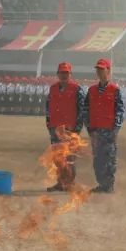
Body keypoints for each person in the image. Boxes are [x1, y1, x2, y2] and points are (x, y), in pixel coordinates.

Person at [84, 58, 124, 193]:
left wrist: (116, 129)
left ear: (108, 71)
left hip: (109, 131)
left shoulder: (115, 90)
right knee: (97, 160)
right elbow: (86, 110)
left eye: (102, 69)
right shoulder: (92, 90)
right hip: (95, 131)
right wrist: (90, 130)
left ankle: (109, 185)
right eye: (98, 70)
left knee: (109, 159)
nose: (99, 72)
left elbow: (119, 110)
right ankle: (102, 184)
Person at [45, 62, 84, 192]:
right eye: (61, 73)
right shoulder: (53, 88)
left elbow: (82, 110)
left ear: (70, 74)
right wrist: (49, 124)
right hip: (55, 129)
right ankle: (60, 182)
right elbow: (48, 107)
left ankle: (70, 183)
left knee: (69, 157)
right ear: (57, 74)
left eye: (66, 73)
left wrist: (76, 130)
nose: (64, 75)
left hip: (70, 130)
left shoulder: (77, 89)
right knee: (57, 157)